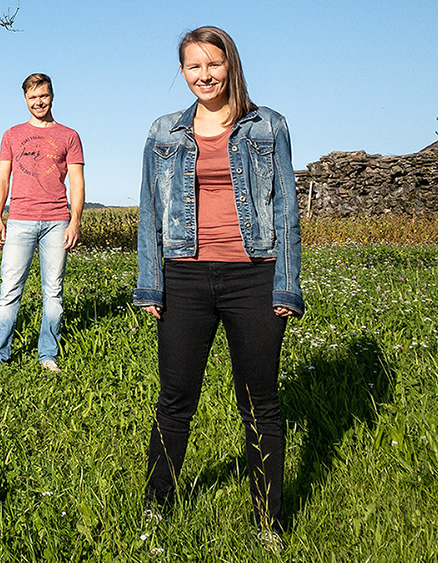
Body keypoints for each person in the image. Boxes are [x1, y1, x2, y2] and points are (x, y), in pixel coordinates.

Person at [133, 26, 304, 536]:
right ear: (182, 72)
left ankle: (267, 522)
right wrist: (150, 284)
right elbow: (149, 211)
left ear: (230, 64)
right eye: (193, 67)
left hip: (254, 276)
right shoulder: (164, 131)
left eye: (213, 64)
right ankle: (156, 507)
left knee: (260, 403)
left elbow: (286, 207)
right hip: (183, 278)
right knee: (175, 398)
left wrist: (286, 286)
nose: (204, 76)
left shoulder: (268, 126)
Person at [0, 73, 85, 372]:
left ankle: (47, 355)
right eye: (32, 97)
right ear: (25, 100)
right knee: (9, 290)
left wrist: (75, 220)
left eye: (43, 95)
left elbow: (77, 182)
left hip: (57, 220)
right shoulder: (12, 135)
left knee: (53, 291)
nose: (38, 102)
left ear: (52, 95)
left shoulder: (69, 136)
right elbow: (2, 178)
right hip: (19, 220)